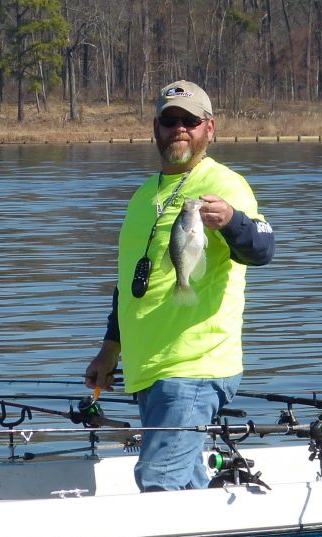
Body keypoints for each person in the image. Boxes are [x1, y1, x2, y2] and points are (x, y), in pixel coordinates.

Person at [85, 80, 275, 492]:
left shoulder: (224, 184)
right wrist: (109, 350)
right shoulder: (142, 197)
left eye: (190, 121)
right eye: (169, 121)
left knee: (159, 480)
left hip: (194, 366)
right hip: (148, 369)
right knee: (185, 486)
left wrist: (232, 221)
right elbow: (130, 283)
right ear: (155, 128)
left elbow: (262, 249)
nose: (179, 129)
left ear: (210, 128)